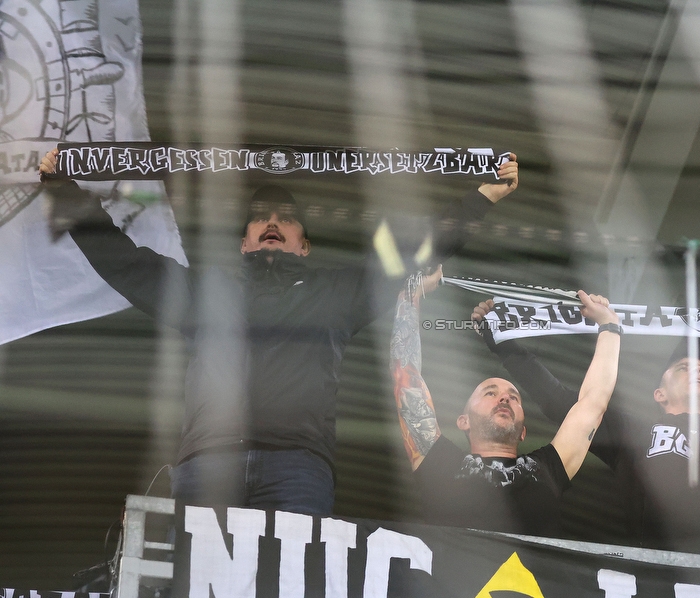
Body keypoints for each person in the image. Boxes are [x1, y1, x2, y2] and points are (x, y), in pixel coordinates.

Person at [38, 148, 519, 516]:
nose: (273, 224)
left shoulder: (338, 292)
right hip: (209, 461)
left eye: (286, 220)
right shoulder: (206, 292)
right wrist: (66, 190)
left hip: (298, 468)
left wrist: (481, 199)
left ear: (304, 245)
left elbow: (417, 249)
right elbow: (127, 264)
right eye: (261, 219)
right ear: (245, 242)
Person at [471, 298, 700, 557]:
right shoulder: (635, 434)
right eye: (682, 367)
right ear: (659, 394)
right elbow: (559, 400)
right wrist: (503, 341)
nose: (698, 370)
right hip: (666, 586)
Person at [390, 269, 621, 536]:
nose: (504, 398)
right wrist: (411, 293)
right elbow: (405, 377)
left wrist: (610, 326)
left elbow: (593, 404)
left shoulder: (548, 469)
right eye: (490, 393)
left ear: (523, 431)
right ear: (463, 421)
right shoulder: (440, 462)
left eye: (514, 397)